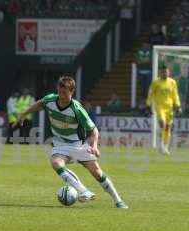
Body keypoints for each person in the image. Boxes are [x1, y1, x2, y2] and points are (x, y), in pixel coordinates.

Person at [16, 76, 128, 209]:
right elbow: (40, 103)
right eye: (60, 92)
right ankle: (84, 191)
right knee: (56, 163)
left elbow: (94, 130)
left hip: (78, 145)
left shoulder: (77, 109)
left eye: (65, 93)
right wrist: (24, 113)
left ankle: (118, 200)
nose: (61, 96)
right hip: (60, 145)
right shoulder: (50, 100)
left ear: (72, 92)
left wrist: (94, 145)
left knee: (97, 172)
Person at [146, 65, 182, 155]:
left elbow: (175, 95)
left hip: (169, 108)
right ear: (160, 72)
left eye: (166, 72)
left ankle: (165, 146)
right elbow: (150, 94)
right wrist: (148, 105)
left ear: (169, 72)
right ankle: (161, 145)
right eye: (163, 72)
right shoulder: (156, 83)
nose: (165, 73)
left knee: (168, 128)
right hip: (160, 107)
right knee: (163, 123)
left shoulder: (172, 82)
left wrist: (178, 106)